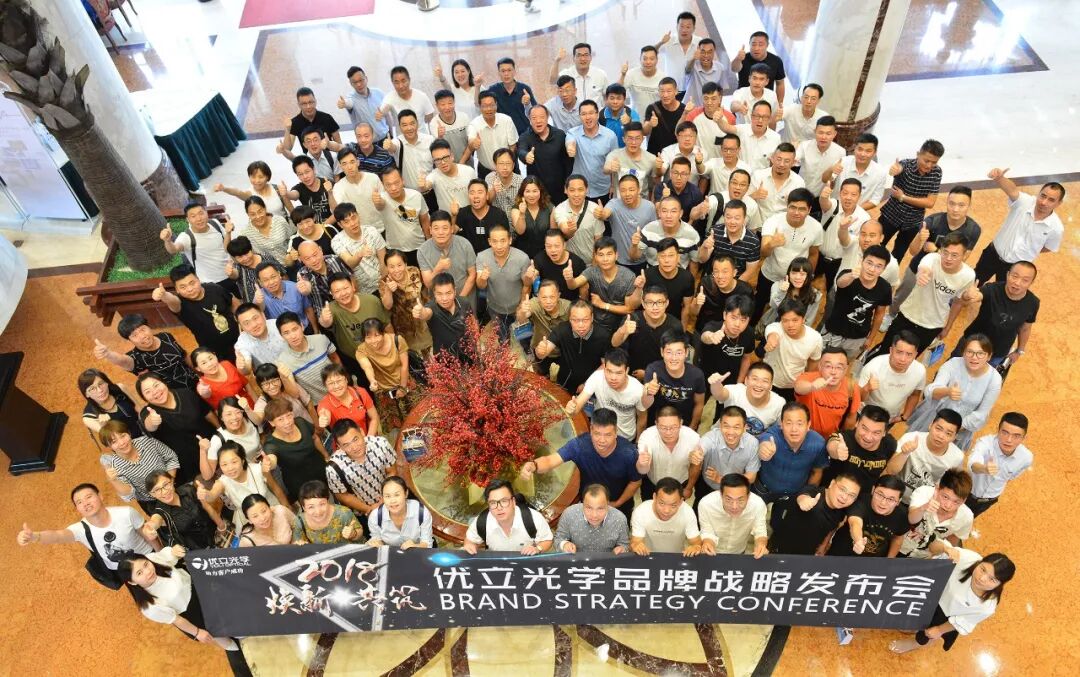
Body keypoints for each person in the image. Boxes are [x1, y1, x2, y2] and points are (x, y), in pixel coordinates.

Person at [116, 548, 251, 675]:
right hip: (191, 613)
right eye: (139, 573)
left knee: (226, 613)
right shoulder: (149, 606)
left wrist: (176, 550)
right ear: (132, 582)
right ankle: (237, 652)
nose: (148, 571)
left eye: (146, 564)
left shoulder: (154, 559)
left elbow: (172, 554)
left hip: (197, 588)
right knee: (219, 635)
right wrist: (197, 632)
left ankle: (242, 633)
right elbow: (177, 620)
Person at [868, 232, 981, 358]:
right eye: (945, 252)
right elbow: (924, 268)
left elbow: (958, 302)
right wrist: (922, 274)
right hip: (907, 315)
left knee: (909, 358)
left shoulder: (968, 275)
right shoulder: (931, 258)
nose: (948, 258)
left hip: (932, 325)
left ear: (964, 255)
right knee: (886, 350)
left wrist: (948, 326)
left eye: (954, 255)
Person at [890, 543, 1016, 654]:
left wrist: (939, 630)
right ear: (980, 562)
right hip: (936, 594)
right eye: (983, 569)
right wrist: (945, 548)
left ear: (1000, 584)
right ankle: (914, 626)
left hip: (946, 615)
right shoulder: (968, 558)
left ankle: (915, 643)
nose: (982, 578)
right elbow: (935, 547)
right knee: (918, 614)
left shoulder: (986, 606)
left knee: (928, 633)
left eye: (992, 579)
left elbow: (962, 621)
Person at [520, 408, 642, 521]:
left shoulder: (629, 453)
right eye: (597, 434)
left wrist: (617, 503)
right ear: (591, 430)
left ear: (616, 432)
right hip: (588, 503)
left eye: (608, 435)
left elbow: (635, 482)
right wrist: (533, 465)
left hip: (618, 505)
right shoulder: (580, 445)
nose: (602, 440)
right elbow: (551, 460)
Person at [16, 483, 156, 581]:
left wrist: (162, 554)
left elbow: (147, 534)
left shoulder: (126, 513)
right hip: (125, 572)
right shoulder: (80, 529)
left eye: (89, 497)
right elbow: (58, 536)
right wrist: (34, 536)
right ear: (77, 508)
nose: (85, 503)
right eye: (79, 502)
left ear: (100, 496)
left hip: (148, 559)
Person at [889, 186, 981, 316]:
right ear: (946, 202)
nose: (955, 209)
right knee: (902, 297)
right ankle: (891, 315)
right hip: (918, 268)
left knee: (929, 305)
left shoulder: (973, 230)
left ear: (969, 206)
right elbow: (913, 252)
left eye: (961, 205)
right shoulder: (932, 221)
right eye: (952, 204)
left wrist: (936, 250)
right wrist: (920, 238)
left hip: (943, 276)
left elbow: (963, 259)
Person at [906, 334, 1002, 450]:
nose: (974, 357)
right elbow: (930, 391)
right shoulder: (953, 364)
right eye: (969, 352)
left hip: (960, 431)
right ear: (963, 353)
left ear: (989, 356)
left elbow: (981, 414)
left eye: (980, 353)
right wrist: (947, 391)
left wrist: (951, 430)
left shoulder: (994, 379)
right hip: (932, 420)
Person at [974, 169, 1065, 284]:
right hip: (992, 255)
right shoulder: (1024, 202)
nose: (1044, 202)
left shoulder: (1056, 228)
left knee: (1004, 293)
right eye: (1043, 196)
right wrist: (1000, 178)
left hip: (1016, 269)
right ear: (1039, 194)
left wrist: (1029, 249)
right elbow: (1012, 190)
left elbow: (1047, 247)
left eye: (1051, 200)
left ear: (1058, 203)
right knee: (974, 282)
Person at [136, 373, 217, 486]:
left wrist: (221, 430)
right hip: (192, 466)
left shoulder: (186, 393)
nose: (155, 392)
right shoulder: (147, 412)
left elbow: (207, 413)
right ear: (144, 398)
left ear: (164, 382)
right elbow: (149, 425)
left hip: (214, 447)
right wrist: (153, 421)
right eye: (147, 392)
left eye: (156, 385)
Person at [755, 189, 822, 321]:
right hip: (770, 275)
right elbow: (763, 253)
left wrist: (808, 277)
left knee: (789, 312)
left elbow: (813, 254)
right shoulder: (773, 221)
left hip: (796, 280)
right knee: (759, 304)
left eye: (802, 209)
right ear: (787, 206)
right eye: (793, 207)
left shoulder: (816, 227)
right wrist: (771, 244)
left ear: (809, 210)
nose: (796, 212)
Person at [957, 261, 1038, 369]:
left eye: (1025, 280)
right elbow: (977, 295)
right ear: (1007, 274)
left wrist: (1019, 351)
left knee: (982, 376)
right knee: (955, 366)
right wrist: (968, 296)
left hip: (997, 353)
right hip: (971, 342)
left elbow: (1025, 328)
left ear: (1031, 282)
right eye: (1015, 276)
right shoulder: (992, 289)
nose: (1017, 283)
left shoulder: (1033, 303)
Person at [155, 264, 240, 361]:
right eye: (183, 287)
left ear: (198, 279)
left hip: (239, 341)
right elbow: (172, 301)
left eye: (192, 283)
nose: (190, 289)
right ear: (177, 290)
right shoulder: (180, 304)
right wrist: (164, 295)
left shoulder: (214, 288)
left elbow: (233, 302)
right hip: (213, 353)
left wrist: (242, 325)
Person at [821, 245, 893, 358]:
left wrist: (870, 338)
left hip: (858, 338)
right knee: (822, 359)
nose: (872, 269)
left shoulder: (885, 288)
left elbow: (879, 314)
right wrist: (852, 276)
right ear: (861, 261)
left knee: (845, 363)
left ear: (884, 269)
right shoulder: (848, 274)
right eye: (869, 263)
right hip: (833, 331)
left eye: (878, 266)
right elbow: (840, 283)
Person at [199, 442, 289, 532]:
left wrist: (288, 509)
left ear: (242, 460)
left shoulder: (258, 469)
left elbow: (276, 489)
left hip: (271, 509)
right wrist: (205, 494)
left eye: (234, 462)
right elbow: (212, 496)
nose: (230, 468)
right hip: (249, 520)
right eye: (224, 464)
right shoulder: (223, 482)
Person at [95, 313, 199, 390]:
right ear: (130, 340)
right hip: (174, 394)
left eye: (143, 329)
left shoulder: (165, 336)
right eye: (134, 335)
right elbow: (122, 360)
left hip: (194, 381)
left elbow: (184, 355)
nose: (142, 336)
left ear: (149, 327)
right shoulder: (135, 358)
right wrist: (108, 354)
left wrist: (199, 373)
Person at [753, 402, 829, 505]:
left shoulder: (818, 444)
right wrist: (764, 448)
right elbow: (765, 439)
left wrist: (807, 493)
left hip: (795, 496)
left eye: (799, 424)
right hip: (764, 491)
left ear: (808, 425)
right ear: (781, 424)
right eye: (788, 423)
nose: (794, 429)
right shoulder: (773, 435)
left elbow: (817, 472)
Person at [879, 140, 944, 260]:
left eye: (934, 162)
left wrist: (903, 197)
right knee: (877, 246)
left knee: (898, 255)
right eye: (926, 161)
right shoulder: (905, 165)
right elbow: (898, 168)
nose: (929, 165)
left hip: (913, 223)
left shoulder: (937, 172)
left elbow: (930, 202)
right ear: (918, 154)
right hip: (890, 215)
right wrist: (894, 170)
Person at [769, 471, 861, 556]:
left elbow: (833, 526)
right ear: (832, 483)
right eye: (842, 489)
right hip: (779, 550)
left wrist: (824, 544)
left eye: (851, 495)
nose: (844, 497)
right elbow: (804, 495)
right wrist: (804, 501)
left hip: (806, 556)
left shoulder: (841, 510)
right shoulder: (814, 492)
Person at [98, 420, 180, 513]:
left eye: (123, 436)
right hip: (153, 502)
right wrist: (114, 480)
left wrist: (169, 482)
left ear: (129, 433)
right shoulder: (115, 466)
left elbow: (171, 457)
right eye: (114, 442)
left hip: (174, 486)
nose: (122, 443)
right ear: (109, 447)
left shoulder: (147, 441)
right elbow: (129, 493)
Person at [884, 409, 964, 503]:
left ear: (954, 437)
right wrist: (904, 453)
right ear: (930, 425)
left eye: (948, 434)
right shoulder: (911, 438)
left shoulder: (957, 457)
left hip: (922, 504)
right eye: (938, 429)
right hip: (894, 496)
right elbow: (890, 470)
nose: (941, 436)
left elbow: (949, 488)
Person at [262, 398, 331, 504]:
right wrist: (269, 464)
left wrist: (326, 456)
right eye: (280, 419)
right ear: (272, 423)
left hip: (321, 469)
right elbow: (272, 459)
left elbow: (315, 438)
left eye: (289, 415)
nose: (287, 422)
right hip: (301, 484)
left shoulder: (300, 422)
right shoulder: (271, 443)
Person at [535, 300, 611, 395]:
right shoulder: (562, 329)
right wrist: (540, 351)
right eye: (575, 320)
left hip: (592, 383)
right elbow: (543, 353)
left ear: (592, 318)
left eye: (585, 320)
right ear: (569, 319)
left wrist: (588, 384)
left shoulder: (603, 335)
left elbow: (605, 364)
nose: (581, 325)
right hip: (565, 379)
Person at [566, 236, 640, 334]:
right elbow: (573, 285)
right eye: (601, 255)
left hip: (620, 324)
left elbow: (629, 309)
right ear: (595, 257)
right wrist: (569, 278)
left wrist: (603, 305)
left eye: (609, 254)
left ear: (616, 255)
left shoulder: (628, 276)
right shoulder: (591, 271)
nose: (605, 259)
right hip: (596, 323)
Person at [325, 416, 396, 518]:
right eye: (346, 445)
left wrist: (385, 499)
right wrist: (369, 509)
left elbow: (391, 471)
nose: (354, 447)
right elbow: (342, 495)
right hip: (364, 513)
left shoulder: (381, 444)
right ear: (339, 446)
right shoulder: (333, 468)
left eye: (355, 439)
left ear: (362, 432)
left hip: (392, 498)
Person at [565, 348, 644, 440]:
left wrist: (638, 444)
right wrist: (572, 409)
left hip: (624, 438)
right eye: (609, 371)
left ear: (627, 371)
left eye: (618, 373)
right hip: (598, 433)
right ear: (604, 368)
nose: (613, 377)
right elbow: (579, 403)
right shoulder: (597, 377)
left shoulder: (638, 390)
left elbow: (642, 419)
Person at [319, 271, 392, 370]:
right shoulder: (331, 310)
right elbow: (325, 323)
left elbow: (387, 325)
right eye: (337, 291)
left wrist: (393, 347)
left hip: (382, 352)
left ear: (353, 287)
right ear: (332, 294)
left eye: (345, 288)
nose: (343, 293)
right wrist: (324, 319)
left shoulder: (371, 300)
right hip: (355, 359)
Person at [966, 412, 1033, 518]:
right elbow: (973, 464)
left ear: (1024, 438)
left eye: (1016, 436)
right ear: (998, 430)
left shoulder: (1026, 458)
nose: (1009, 440)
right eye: (1005, 432)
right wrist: (984, 468)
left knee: (969, 518)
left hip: (990, 499)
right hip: (965, 492)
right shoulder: (985, 443)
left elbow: (1011, 477)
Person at [355, 318, 417, 429]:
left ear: (383, 333)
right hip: (384, 391)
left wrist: (402, 387)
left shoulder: (397, 340)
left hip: (404, 382)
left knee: (416, 415)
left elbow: (404, 366)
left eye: (377, 335)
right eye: (368, 337)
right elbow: (367, 367)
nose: (373, 341)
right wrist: (372, 381)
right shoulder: (361, 350)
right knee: (397, 423)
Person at [899, 468, 974, 559]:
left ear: (964, 500)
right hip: (900, 545)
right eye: (945, 497)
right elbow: (911, 519)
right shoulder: (924, 493)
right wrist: (923, 507)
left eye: (956, 502)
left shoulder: (966, 517)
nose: (948, 505)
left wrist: (946, 551)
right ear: (937, 488)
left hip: (925, 556)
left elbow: (954, 537)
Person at [464, 479, 553, 554]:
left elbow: (547, 540)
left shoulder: (533, 517)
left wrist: (538, 548)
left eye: (504, 501)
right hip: (496, 565)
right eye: (493, 503)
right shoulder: (482, 521)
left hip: (526, 562)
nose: (499, 508)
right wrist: (470, 545)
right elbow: (470, 540)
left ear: (513, 501)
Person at [826, 474, 907, 557]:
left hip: (873, 560)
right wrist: (858, 540)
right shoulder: (861, 501)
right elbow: (855, 523)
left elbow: (898, 537)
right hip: (841, 552)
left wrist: (889, 560)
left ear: (898, 501)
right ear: (873, 490)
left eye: (891, 499)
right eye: (880, 495)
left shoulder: (902, 515)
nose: (883, 503)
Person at [640, 330, 707, 429]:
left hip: (684, 425)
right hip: (657, 425)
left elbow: (699, 404)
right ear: (662, 352)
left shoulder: (696, 375)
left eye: (679, 353)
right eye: (669, 352)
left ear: (686, 352)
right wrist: (649, 392)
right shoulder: (653, 370)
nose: (674, 358)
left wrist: (692, 427)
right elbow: (645, 404)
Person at [820, 404, 895, 492]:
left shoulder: (889, 444)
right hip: (834, 493)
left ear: (884, 433)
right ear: (857, 423)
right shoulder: (843, 438)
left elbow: (890, 470)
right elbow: (832, 444)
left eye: (876, 433)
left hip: (864, 497)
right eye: (864, 429)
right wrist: (837, 450)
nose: (868, 437)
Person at [611, 285, 681, 378]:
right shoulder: (632, 319)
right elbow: (614, 343)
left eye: (660, 302)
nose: (655, 307)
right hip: (632, 373)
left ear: (666, 303)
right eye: (650, 302)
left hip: (662, 374)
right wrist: (622, 331)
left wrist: (649, 373)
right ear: (643, 304)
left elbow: (677, 358)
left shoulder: (675, 326)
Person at [858, 330, 926, 426]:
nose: (903, 359)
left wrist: (905, 416)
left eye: (909, 354)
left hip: (889, 420)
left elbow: (915, 394)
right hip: (865, 416)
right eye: (899, 352)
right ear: (891, 350)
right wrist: (867, 388)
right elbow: (857, 398)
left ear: (915, 355)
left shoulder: (920, 371)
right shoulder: (873, 367)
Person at [475, 223, 531, 340]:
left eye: (503, 241)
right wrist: (483, 278)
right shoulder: (482, 257)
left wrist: (521, 306)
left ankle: (526, 347)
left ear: (510, 240)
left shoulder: (522, 258)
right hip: (495, 308)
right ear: (489, 241)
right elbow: (480, 285)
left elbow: (527, 285)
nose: (499, 246)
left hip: (517, 307)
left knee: (523, 337)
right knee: (502, 338)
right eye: (495, 241)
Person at [692, 404, 760, 499]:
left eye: (736, 427)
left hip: (735, 489)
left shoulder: (752, 443)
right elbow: (701, 448)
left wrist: (722, 479)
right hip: (708, 486)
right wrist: (696, 455)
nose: (730, 432)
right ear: (720, 426)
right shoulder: (711, 437)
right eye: (726, 426)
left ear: (745, 428)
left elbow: (751, 477)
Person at [142, 471, 221, 551]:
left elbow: (207, 508)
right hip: (200, 551)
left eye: (166, 484)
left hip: (216, 534)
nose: (164, 491)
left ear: (172, 481)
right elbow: (155, 520)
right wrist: (150, 528)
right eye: (157, 490)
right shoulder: (160, 511)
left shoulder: (188, 490)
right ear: (152, 494)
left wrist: (221, 526)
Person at [762, 298, 823, 401]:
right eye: (785, 320)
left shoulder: (815, 338)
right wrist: (772, 339)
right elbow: (772, 333)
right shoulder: (775, 327)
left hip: (793, 385)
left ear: (803, 319)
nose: (790, 325)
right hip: (769, 381)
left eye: (795, 320)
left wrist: (806, 379)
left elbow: (814, 360)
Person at [816, 178, 872, 289]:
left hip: (840, 263)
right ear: (840, 193)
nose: (848, 197)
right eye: (845, 193)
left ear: (859, 196)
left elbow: (860, 244)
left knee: (833, 289)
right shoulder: (833, 205)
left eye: (853, 194)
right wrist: (823, 197)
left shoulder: (864, 218)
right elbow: (824, 203)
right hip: (819, 257)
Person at [636, 406, 701, 500]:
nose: (668, 432)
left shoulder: (693, 438)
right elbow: (642, 470)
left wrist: (689, 487)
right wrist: (642, 463)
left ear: (681, 423)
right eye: (663, 428)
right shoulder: (647, 436)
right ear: (656, 424)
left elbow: (696, 466)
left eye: (673, 427)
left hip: (680, 483)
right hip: (653, 484)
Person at [795, 345, 860, 438]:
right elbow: (798, 387)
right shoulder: (809, 378)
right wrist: (811, 386)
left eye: (839, 367)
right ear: (820, 366)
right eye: (828, 366)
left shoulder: (851, 386)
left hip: (831, 438)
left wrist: (844, 438)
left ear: (846, 369)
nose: (833, 372)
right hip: (804, 435)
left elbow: (851, 416)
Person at [160, 203, 232, 285]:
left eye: (201, 213)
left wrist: (228, 233)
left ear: (206, 213)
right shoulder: (186, 237)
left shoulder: (214, 223)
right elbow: (173, 249)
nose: (199, 219)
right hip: (211, 282)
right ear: (188, 219)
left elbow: (227, 247)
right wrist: (168, 241)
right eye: (193, 216)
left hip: (231, 273)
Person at [697, 473, 768, 556]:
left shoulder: (758, 504)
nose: (734, 506)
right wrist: (708, 544)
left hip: (739, 551)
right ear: (721, 494)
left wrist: (761, 545)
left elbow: (760, 531)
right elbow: (707, 530)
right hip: (713, 552)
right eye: (728, 499)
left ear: (748, 496)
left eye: (740, 500)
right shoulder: (706, 503)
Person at [276, 312, 340, 402]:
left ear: (302, 326)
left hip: (340, 390)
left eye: (295, 329)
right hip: (319, 403)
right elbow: (295, 394)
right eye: (286, 333)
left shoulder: (320, 339)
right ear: (281, 336)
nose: (293, 336)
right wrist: (283, 378)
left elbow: (335, 358)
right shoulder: (283, 361)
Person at [629, 476, 702, 556]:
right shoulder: (641, 511)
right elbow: (635, 541)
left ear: (681, 501)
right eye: (662, 503)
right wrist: (636, 546)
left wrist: (696, 547)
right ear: (654, 497)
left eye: (673, 505)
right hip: (647, 556)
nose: (666, 511)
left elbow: (696, 542)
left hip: (677, 557)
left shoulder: (687, 512)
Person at [417, 210, 477, 307]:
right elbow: (428, 284)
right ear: (430, 230)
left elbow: (472, 275)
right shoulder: (422, 251)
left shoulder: (464, 244)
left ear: (452, 229)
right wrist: (438, 268)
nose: (440, 232)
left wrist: (460, 300)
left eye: (445, 228)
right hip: (439, 302)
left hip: (465, 297)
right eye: (436, 228)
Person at [708, 362, 785, 436]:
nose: (759, 384)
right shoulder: (736, 391)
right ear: (746, 381)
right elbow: (719, 394)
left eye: (765, 381)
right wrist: (715, 383)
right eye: (755, 379)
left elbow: (777, 429)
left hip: (753, 443)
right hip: (721, 436)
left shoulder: (779, 403)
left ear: (771, 386)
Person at [517, 104, 573, 205]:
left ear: (547, 118)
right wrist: (526, 156)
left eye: (542, 117)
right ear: (530, 120)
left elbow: (568, 163)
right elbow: (521, 150)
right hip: (538, 191)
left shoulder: (560, 135)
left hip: (560, 189)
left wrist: (568, 183)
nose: (538, 121)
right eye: (534, 118)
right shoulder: (525, 137)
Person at [566, 100, 619, 203]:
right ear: (579, 116)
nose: (587, 117)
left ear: (597, 114)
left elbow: (614, 162)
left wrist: (613, 185)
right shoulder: (573, 133)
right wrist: (570, 148)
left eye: (591, 113)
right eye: (583, 114)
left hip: (603, 189)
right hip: (580, 190)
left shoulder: (610, 136)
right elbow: (570, 142)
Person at [381, 249, 432, 356]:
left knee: (430, 353)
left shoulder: (414, 271)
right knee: (415, 357)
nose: (396, 270)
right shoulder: (384, 282)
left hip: (422, 320)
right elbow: (387, 306)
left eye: (399, 265)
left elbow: (425, 290)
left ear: (405, 264)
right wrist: (388, 291)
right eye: (391, 267)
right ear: (387, 268)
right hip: (404, 327)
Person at [553, 484, 630, 554]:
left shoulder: (619, 519)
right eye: (589, 508)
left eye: (600, 508)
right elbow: (558, 539)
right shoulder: (569, 514)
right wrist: (564, 545)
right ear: (582, 503)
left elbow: (625, 545)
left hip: (607, 561)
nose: (594, 515)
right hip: (576, 560)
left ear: (608, 504)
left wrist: (622, 549)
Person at [330, 201, 387, 296]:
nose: (352, 223)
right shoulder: (337, 241)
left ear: (358, 216)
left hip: (382, 281)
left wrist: (384, 283)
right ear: (340, 225)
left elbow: (383, 259)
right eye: (346, 222)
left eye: (354, 218)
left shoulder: (371, 231)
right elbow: (350, 263)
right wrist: (360, 254)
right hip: (363, 291)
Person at [698, 294, 756, 387]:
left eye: (743, 320)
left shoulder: (749, 333)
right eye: (733, 317)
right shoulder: (713, 326)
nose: (737, 324)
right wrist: (712, 337)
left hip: (731, 380)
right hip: (707, 377)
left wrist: (739, 384)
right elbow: (704, 336)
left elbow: (746, 358)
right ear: (725, 315)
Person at [374, 167, 429, 263]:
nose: (393, 188)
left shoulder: (416, 195)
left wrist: (429, 243)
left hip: (419, 246)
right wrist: (377, 202)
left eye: (396, 183)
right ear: (383, 185)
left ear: (403, 181)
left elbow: (425, 221)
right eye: (388, 185)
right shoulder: (382, 198)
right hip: (394, 251)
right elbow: (380, 205)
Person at [415, 271, 474, 359]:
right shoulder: (432, 307)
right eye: (439, 294)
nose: (444, 298)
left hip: (468, 354)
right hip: (444, 359)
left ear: (455, 291)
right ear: (434, 294)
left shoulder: (464, 302)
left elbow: (472, 323)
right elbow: (426, 313)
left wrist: (475, 343)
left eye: (448, 293)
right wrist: (421, 312)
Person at [516, 279, 571, 373]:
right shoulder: (534, 303)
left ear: (558, 295)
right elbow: (521, 318)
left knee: (562, 376)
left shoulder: (568, 307)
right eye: (544, 297)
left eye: (552, 297)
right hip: (540, 349)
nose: (548, 301)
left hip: (563, 351)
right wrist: (523, 312)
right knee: (541, 374)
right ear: (538, 297)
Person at [201, 398, 264, 478]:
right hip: (246, 477)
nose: (234, 417)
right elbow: (207, 476)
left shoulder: (248, 420)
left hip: (265, 465)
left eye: (237, 412)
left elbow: (259, 426)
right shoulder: (218, 439)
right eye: (228, 414)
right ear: (221, 417)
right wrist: (202, 451)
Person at [757, 256, 821, 333]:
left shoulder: (815, 296)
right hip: (774, 326)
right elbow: (773, 305)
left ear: (809, 276)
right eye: (794, 273)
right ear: (788, 274)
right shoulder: (778, 286)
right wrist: (781, 292)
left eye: (802, 274)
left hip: (795, 331)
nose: (797, 277)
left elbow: (808, 321)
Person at [690, 255, 755, 333]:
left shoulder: (745, 291)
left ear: (734, 273)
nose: (720, 276)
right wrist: (697, 303)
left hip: (730, 331)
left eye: (725, 271)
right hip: (704, 329)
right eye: (716, 271)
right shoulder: (706, 284)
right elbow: (693, 313)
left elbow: (746, 318)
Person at [331, 146, 385, 236]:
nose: (349, 167)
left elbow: (384, 205)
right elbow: (337, 211)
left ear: (358, 162)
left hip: (380, 228)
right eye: (344, 164)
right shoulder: (338, 187)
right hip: (358, 233)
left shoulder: (373, 178)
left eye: (352, 162)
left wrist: (379, 201)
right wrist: (329, 193)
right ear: (340, 167)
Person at [463, 92, 518, 180]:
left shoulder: (506, 120)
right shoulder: (474, 124)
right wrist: (473, 143)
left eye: (492, 105)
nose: (489, 109)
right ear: (480, 107)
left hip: (508, 168)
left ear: (496, 105)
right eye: (485, 106)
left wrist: (508, 165)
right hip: (486, 170)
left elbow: (513, 146)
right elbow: (471, 140)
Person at [366, 476, 433, 548]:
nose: (392, 501)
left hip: (418, 552)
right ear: (382, 497)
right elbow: (378, 539)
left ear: (406, 494)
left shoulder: (421, 512)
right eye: (387, 496)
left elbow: (427, 543)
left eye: (397, 495)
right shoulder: (375, 517)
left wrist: (415, 546)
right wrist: (376, 543)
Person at [715, 100, 781, 172]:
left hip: (761, 178)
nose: (760, 120)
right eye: (757, 116)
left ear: (769, 119)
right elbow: (727, 128)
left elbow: (775, 164)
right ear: (751, 116)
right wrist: (719, 120)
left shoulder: (776, 138)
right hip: (740, 176)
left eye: (764, 117)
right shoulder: (742, 129)